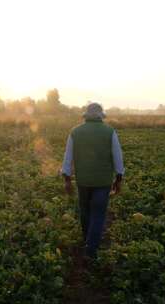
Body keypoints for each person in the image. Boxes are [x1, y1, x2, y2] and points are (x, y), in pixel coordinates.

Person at [61, 102, 124, 259]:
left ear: (86, 116)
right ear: (101, 116)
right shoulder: (110, 132)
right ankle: (91, 248)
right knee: (98, 213)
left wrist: (67, 180)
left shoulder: (75, 132)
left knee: (85, 212)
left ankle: (87, 241)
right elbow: (118, 157)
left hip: (83, 181)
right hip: (103, 182)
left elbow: (67, 158)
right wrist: (119, 178)